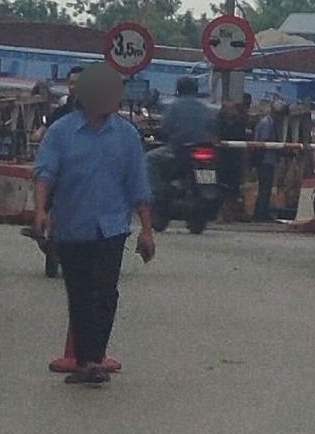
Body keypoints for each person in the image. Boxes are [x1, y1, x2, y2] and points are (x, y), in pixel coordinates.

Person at [33, 63, 155, 386]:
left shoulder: (127, 136)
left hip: (112, 228)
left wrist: (146, 230)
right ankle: (86, 358)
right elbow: (45, 173)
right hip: (73, 224)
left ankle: (93, 359)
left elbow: (138, 185)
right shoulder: (61, 133)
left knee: (105, 293)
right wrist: (40, 211)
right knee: (79, 293)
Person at [148, 77, 216, 195]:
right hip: (204, 150)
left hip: (178, 150)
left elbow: (166, 128)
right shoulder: (206, 108)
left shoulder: (173, 107)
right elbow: (213, 128)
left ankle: (157, 193)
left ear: (178, 90)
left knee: (149, 159)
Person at [252, 100, 288, 223]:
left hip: (268, 159)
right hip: (265, 160)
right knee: (265, 188)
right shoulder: (267, 123)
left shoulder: (270, 122)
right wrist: (280, 150)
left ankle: (260, 212)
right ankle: (260, 214)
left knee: (265, 188)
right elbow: (266, 141)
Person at [215, 99, 248, 219]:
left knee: (234, 188)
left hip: (235, 160)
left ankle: (229, 213)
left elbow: (243, 144)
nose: (232, 111)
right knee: (221, 187)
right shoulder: (218, 122)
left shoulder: (240, 123)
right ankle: (221, 213)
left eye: (233, 108)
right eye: (229, 108)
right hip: (222, 159)